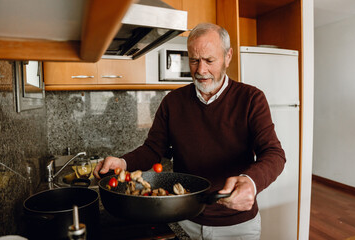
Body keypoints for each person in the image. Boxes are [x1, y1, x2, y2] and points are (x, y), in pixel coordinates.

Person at [93, 22, 286, 240]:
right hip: (185, 218)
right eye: (194, 60)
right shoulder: (172, 102)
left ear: (228, 56)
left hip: (236, 224)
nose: (201, 70)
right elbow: (152, 149)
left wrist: (251, 181)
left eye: (209, 60)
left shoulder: (251, 99)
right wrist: (124, 163)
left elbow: (274, 154)